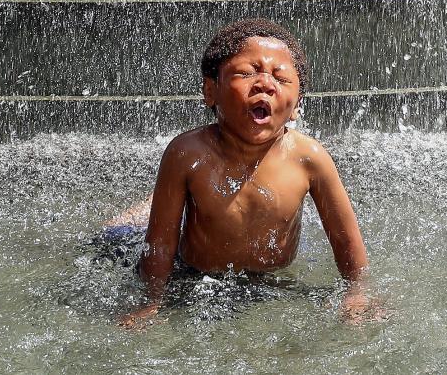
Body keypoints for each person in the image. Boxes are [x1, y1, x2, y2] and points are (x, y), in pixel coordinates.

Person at [113, 18, 378, 328]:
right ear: (211, 91)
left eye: (281, 78)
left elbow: (346, 240)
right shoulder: (187, 154)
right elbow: (159, 245)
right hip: (196, 273)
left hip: (270, 275)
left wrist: (357, 292)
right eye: (247, 72)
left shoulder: (310, 158)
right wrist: (150, 301)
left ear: (296, 106)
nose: (265, 83)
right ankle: (136, 214)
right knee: (114, 240)